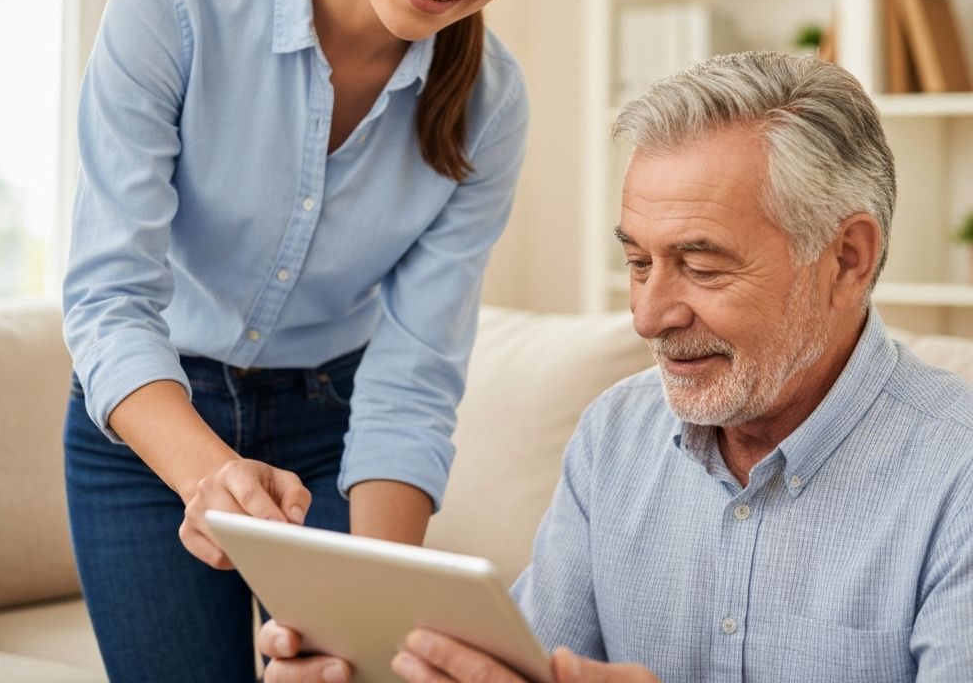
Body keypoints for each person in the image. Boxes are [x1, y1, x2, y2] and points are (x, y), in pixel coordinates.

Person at [62, 0, 586, 683]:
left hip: (333, 427)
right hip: (153, 421)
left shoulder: (491, 107)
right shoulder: (174, 7)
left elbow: (415, 373)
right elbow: (108, 300)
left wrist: (372, 614)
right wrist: (206, 474)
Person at [260, 51, 973, 683]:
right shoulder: (615, 434)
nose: (649, 316)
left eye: (701, 266)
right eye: (637, 263)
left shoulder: (956, 476)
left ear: (846, 259)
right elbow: (528, 663)